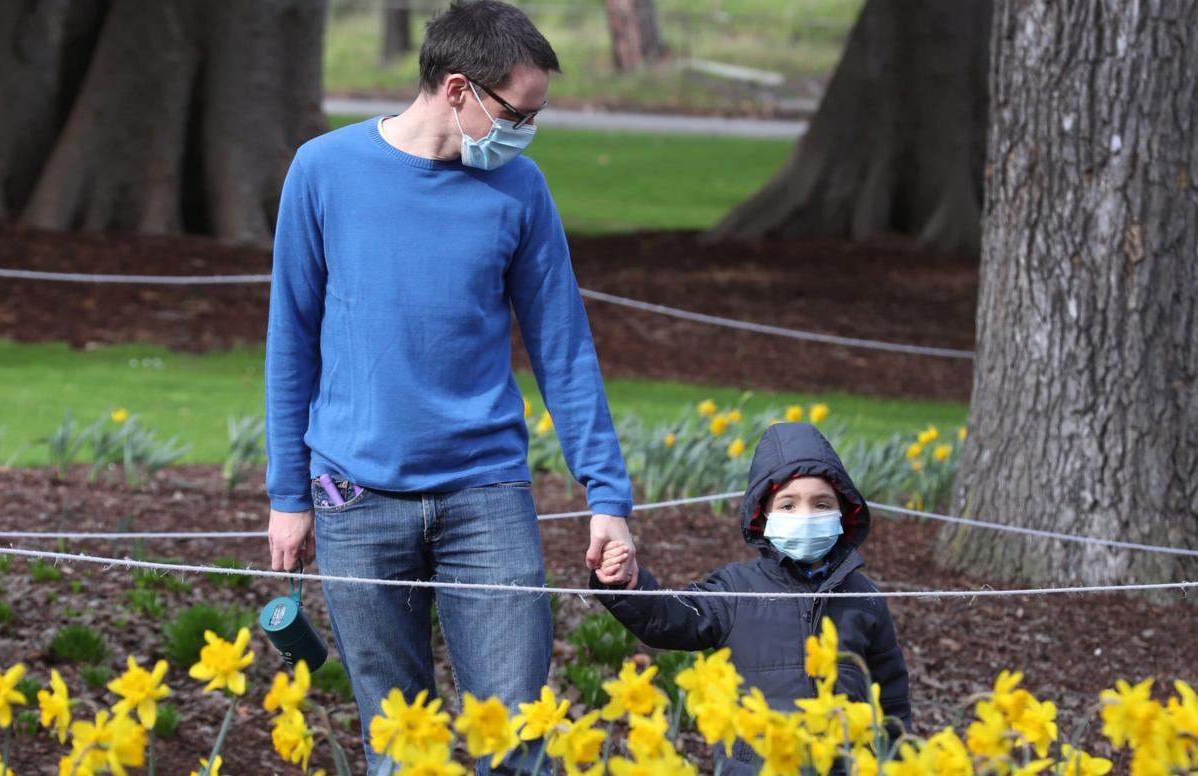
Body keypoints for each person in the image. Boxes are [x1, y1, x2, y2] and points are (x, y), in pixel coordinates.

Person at [264, 2, 636, 772]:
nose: (527, 131)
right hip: (356, 502)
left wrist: (608, 499)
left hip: (486, 498)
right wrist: (288, 495)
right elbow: (289, 343)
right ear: (459, 88)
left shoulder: (520, 191)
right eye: (519, 113)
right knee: (399, 750)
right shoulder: (322, 171)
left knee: (518, 744)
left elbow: (563, 350)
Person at [594, 422, 910, 773]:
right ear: (763, 516)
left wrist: (892, 763)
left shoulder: (864, 597)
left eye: (821, 504)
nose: (805, 516)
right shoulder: (736, 589)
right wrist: (626, 583)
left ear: (844, 513)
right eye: (788, 506)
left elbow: (891, 695)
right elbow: (670, 618)